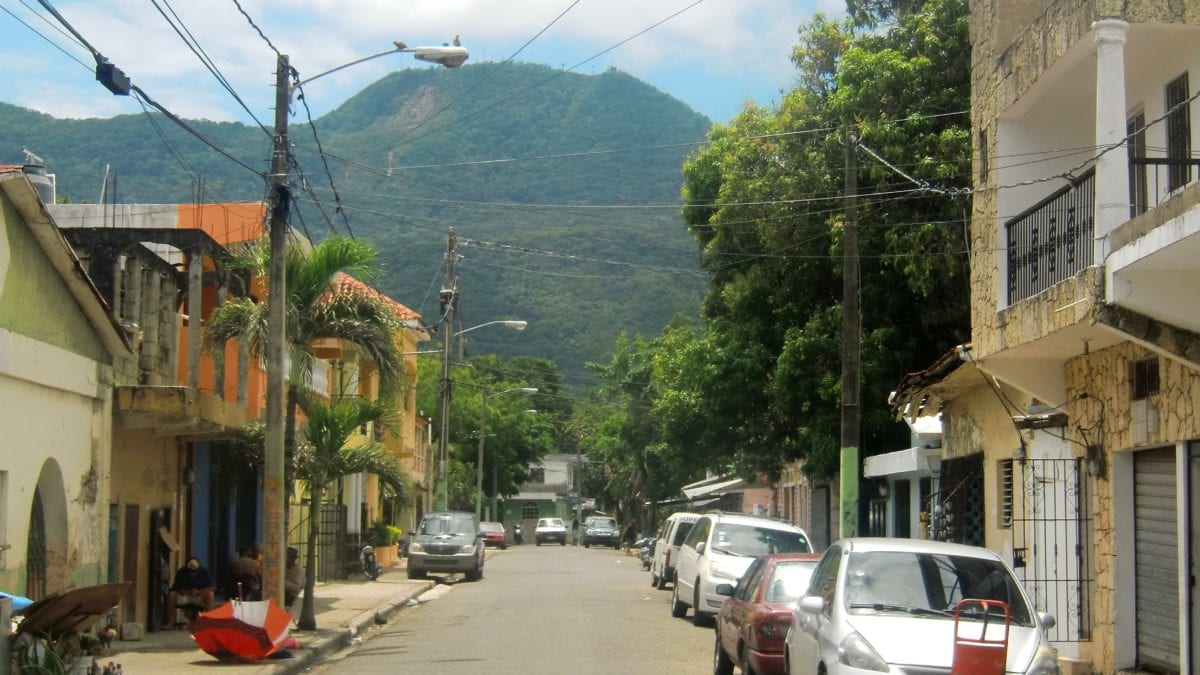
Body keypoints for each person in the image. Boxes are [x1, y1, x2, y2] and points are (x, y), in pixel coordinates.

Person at [164, 556, 214, 628]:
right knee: (171, 595)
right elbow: (175, 587)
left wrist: (199, 592)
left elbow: (212, 587)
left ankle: (209, 622)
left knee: (210, 594)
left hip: (199, 596)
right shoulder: (181, 571)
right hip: (185, 596)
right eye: (190, 571)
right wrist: (182, 591)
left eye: (194, 571)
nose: (192, 572)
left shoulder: (204, 571)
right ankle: (171, 622)